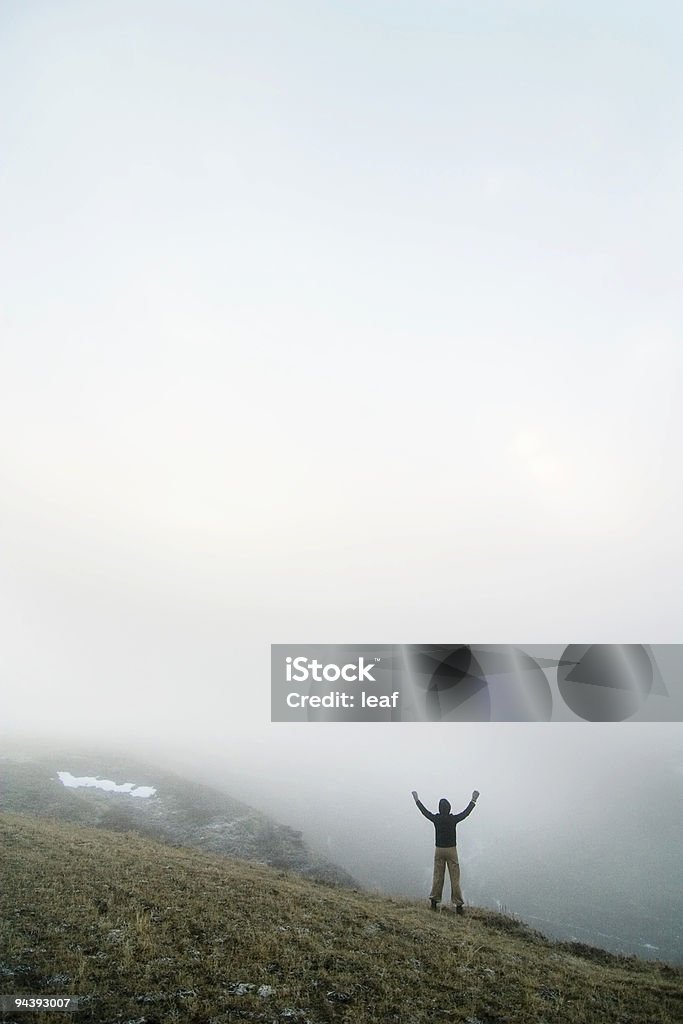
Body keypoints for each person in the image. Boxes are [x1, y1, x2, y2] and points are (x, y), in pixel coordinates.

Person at [412, 788, 480, 914]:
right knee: (455, 878)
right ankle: (458, 905)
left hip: (439, 850)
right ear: (449, 808)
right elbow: (465, 813)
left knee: (438, 876)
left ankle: (434, 902)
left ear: (439, 808)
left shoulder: (436, 819)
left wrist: (417, 800)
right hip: (451, 850)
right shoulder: (452, 819)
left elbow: (425, 812)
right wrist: (473, 800)